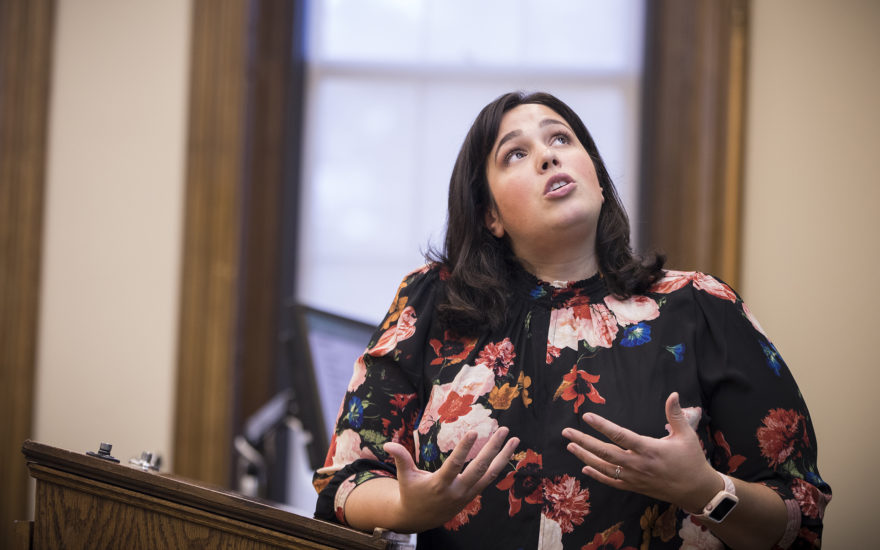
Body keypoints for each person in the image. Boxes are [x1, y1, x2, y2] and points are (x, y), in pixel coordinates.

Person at [312, 91, 830, 549]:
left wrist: (705, 490)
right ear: (489, 215)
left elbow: (795, 520)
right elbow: (346, 483)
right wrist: (408, 509)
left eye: (560, 138)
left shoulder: (701, 306)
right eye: (515, 153)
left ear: (598, 181)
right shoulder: (432, 302)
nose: (547, 155)